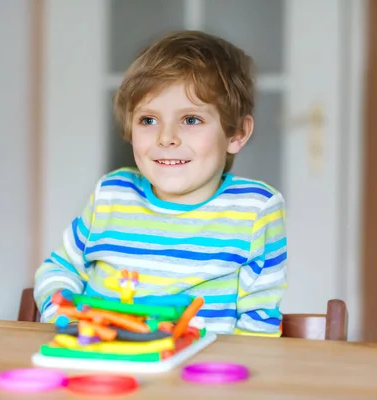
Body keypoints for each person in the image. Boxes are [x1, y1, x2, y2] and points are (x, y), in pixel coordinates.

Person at [34, 30, 287, 337]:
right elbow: (59, 270)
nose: (166, 138)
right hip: (100, 366)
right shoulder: (112, 193)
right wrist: (66, 319)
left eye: (191, 119)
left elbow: (259, 319)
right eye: (148, 120)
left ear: (236, 134)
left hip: (195, 376)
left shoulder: (256, 208)